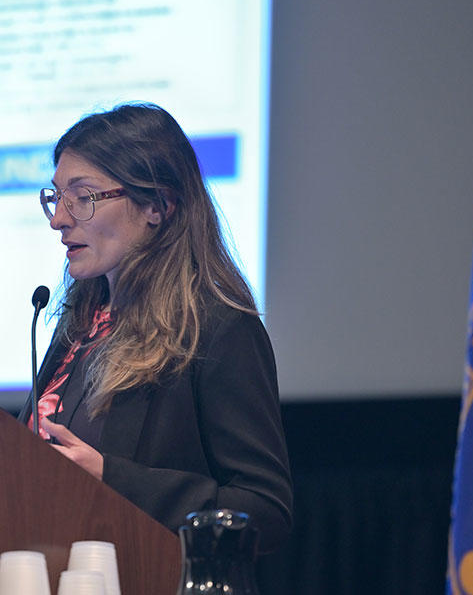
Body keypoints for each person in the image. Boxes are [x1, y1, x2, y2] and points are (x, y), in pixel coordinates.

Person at [18, 103, 292, 553]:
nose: (59, 219)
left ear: (157, 206)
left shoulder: (220, 330)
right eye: (56, 197)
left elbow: (265, 511)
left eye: (83, 197)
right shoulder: (78, 328)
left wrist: (111, 478)